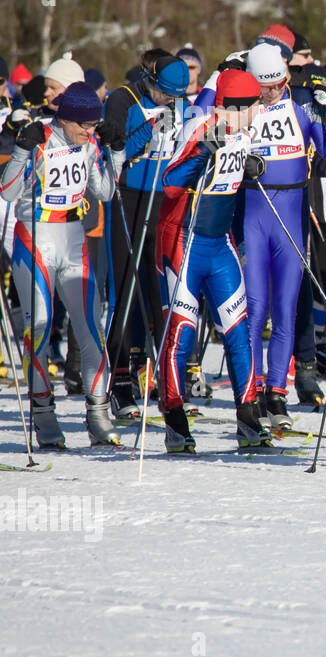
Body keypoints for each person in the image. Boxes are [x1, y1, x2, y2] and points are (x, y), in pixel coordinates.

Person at [0, 82, 124, 448]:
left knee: (91, 330)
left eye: (93, 126)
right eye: (83, 125)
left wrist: (114, 151)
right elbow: (7, 192)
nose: (89, 131)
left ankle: (98, 415)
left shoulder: (88, 144)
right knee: (38, 328)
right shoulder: (40, 137)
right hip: (34, 238)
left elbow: (103, 192)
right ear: (65, 118)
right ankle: (43, 415)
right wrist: (22, 149)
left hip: (73, 237)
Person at [157, 70, 271, 452]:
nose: (259, 111)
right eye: (255, 105)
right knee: (181, 337)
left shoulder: (244, 133)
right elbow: (169, 183)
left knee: (239, 332)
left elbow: (231, 177)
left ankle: (249, 418)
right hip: (183, 243)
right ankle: (174, 420)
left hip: (219, 244)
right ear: (238, 105)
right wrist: (203, 148)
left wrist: (253, 167)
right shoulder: (198, 126)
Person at [239, 43, 326, 430]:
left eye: (278, 84)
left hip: (291, 217)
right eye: (265, 86)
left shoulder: (302, 110)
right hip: (254, 218)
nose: (272, 92)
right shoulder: (239, 113)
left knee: (286, 311)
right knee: (254, 310)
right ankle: (252, 392)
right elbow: (213, 153)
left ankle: (277, 394)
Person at [101, 51, 191, 420]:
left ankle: (165, 384)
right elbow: (115, 153)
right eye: (167, 94)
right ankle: (120, 382)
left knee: (159, 298)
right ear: (150, 82)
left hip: (161, 202)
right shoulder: (123, 98)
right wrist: (151, 128)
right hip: (128, 198)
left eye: (177, 97)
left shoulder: (177, 103)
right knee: (124, 295)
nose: (172, 101)